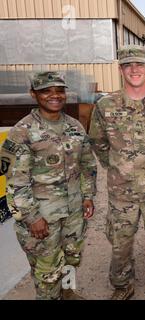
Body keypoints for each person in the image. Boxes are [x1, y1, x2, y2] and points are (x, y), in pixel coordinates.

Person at [89, 45, 145, 300]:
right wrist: (118, 167)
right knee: (120, 244)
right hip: (121, 194)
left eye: (139, 64)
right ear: (120, 70)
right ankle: (122, 286)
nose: (135, 69)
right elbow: (97, 142)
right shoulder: (105, 106)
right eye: (128, 65)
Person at [0, 71, 96, 300]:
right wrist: (32, 217)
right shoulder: (22, 132)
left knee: (72, 257)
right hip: (42, 217)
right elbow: (15, 180)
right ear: (34, 94)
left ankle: (68, 293)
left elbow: (87, 164)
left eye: (59, 90)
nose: (54, 95)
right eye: (46, 91)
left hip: (73, 212)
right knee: (47, 272)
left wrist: (87, 196)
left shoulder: (75, 127)